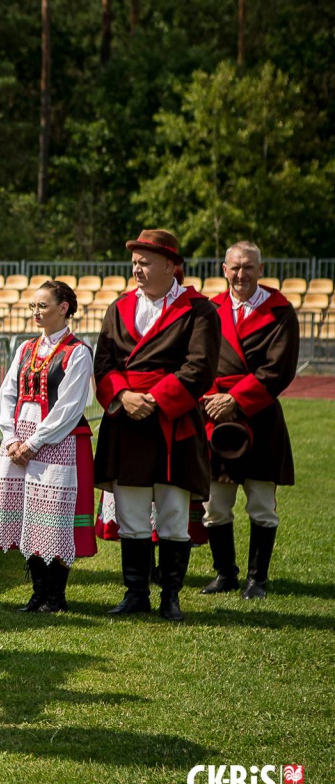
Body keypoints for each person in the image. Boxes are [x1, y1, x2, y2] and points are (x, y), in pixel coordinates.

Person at [94, 229, 220, 621]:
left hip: (172, 421)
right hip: (127, 420)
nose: (137, 269)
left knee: (171, 514)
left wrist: (156, 400)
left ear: (170, 265)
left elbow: (199, 368)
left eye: (145, 262)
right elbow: (104, 364)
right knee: (130, 515)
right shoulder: (118, 307)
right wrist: (123, 396)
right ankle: (136, 594)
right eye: (134, 263)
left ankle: (170, 597)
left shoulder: (200, 310)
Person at [0, 281, 97, 612]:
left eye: (43, 305)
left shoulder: (77, 352)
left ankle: (56, 596)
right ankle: (37, 593)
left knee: (54, 517)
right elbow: (7, 394)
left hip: (57, 441)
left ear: (63, 308)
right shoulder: (25, 348)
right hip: (19, 441)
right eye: (33, 306)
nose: (36, 312)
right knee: (27, 515)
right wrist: (9, 437)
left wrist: (35, 442)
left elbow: (70, 406)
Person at [199, 242, 299, 599]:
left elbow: (279, 369)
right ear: (224, 269)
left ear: (260, 268)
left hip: (260, 419)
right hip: (215, 417)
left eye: (249, 267)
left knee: (260, 503)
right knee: (215, 504)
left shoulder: (280, 311)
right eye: (235, 268)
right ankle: (225, 574)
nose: (241, 275)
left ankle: (258, 579)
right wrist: (215, 400)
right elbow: (199, 360)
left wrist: (236, 400)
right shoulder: (209, 310)